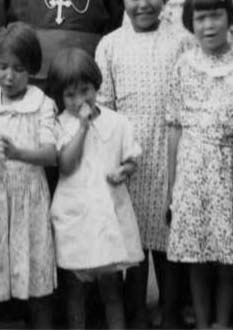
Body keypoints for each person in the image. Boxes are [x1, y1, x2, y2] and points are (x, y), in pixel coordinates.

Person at [94, 0, 193, 328]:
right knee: (133, 249)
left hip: (171, 153)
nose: (143, 3)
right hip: (129, 158)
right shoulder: (111, 45)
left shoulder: (183, 43)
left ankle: (169, 315)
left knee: (168, 245)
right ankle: (135, 316)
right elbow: (102, 106)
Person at [0, 22, 57, 328]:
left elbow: (51, 154)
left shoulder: (42, 104)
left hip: (28, 200)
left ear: (31, 69)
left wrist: (18, 153)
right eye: (2, 66)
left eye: (18, 68)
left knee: (36, 273)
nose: (9, 75)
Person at [164, 0, 233, 329]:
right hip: (191, 168)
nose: (209, 25)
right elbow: (174, 127)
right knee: (195, 253)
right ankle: (201, 319)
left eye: (216, 16)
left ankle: (223, 321)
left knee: (226, 254)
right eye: (201, 18)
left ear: (229, 18)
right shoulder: (184, 65)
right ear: (190, 24)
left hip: (228, 164)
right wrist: (171, 186)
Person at [48, 48, 144, 329]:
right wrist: (82, 128)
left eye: (85, 90)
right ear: (60, 96)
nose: (80, 100)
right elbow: (66, 165)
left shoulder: (117, 122)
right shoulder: (61, 124)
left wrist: (123, 171)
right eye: (70, 95)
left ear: (96, 86)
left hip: (108, 215)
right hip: (76, 214)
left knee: (111, 288)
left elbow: (131, 160)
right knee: (75, 289)